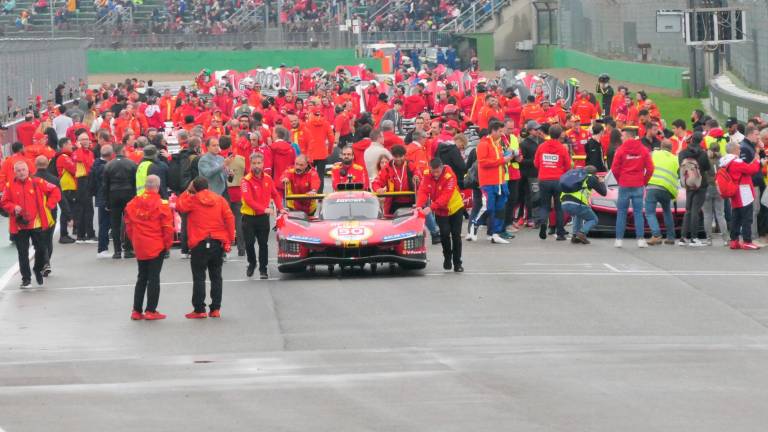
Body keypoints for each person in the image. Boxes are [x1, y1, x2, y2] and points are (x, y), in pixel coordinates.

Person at [176, 177, 236, 318]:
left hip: (199, 242)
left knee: (199, 277)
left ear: (194, 188)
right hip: (217, 241)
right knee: (216, 276)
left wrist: (187, 191)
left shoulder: (192, 200)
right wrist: (229, 240)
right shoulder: (219, 199)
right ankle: (215, 309)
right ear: (208, 186)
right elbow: (229, 218)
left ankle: (199, 309)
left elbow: (179, 206)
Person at [0, 161, 60, 287]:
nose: (21, 172)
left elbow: (55, 190)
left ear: (28, 171)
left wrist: (49, 205)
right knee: (23, 253)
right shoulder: (9, 185)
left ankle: (37, 269)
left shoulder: (37, 182)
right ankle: (26, 279)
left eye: (23, 170)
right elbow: (3, 202)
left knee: (41, 249)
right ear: (15, 172)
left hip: (36, 223)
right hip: (19, 225)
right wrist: (13, 207)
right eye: (19, 170)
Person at [124, 175, 173, 321]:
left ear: (145, 186)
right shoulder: (161, 204)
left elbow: (128, 225)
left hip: (140, 244)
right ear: (158, 187)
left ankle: (136, 310)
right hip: (156, 245)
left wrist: (134, 240)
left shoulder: (133, 203)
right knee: (153, 278)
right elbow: (167, 228)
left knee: (141, 277)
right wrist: (167, 245)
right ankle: (151, 310)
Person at [416, 158, 465, 272]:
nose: (436, 174)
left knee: (456, 235)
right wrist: (419, 205)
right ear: (430, 169)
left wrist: (431, 207)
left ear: (442, 168)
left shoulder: (450, 176)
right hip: (440, 210)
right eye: (434, 172)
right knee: (444, 234)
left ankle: (457, 263)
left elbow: (446, 196)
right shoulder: (427, 174)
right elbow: (423, 190)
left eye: (438, 171)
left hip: (455, 207)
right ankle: (447, 258)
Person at [241, 152, 284, 279]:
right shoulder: (245, 180)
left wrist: (281, 209)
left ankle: (263, 269)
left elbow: (275, 195)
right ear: (250, 165)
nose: (256, 166)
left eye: (259, 163)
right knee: (249, 243)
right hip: (248, 217)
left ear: (263, 164)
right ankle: (252, 263)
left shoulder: (268, 179)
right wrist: (264, 209)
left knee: (263, 244)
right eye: (254, 163)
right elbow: (248, 200)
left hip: (263, 218)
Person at [611, 127, 654, 247]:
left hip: (624, 184)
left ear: (628, 136)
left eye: (622, 136)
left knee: (621, 212)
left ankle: (619, 240)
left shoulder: (620, 150)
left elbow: (614, 168)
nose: (621, 138)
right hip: (638, 184)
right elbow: (650, 168)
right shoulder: (643, 149)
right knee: (638, 213)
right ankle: (640, 239)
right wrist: (644, 181)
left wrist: (620, 180)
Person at [477, 121, 514, 244]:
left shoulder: (497, 143)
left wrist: (507, 157)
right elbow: (483, 163)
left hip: (500, 181)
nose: (502, 133)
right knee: (490, 208)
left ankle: (494, 233)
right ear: (493, 130)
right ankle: (476, 228)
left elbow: (498, 161)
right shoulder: (484, 144)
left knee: (500, 208)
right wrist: (502, 160)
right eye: (500, 131)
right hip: (489, 182)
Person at [533, 124, 572, 241]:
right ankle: (560, 233)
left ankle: (544, 223)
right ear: (560, 134)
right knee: (559, 207)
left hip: (544, 179)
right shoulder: (562, 148)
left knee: (545, 205)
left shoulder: (542, 146)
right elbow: (568, 166)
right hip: (558, 180)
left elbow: (536, 163)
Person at [722, 142, 761, 250]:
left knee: (736, 217)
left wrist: (753, 162)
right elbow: (750, 170)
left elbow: (745, 168)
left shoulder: (725, 162)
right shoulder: (736, 162)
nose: (740, 151)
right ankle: (747, 241)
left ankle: (734, 240)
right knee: (746, 217)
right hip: (744, 192)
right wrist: (757, 161)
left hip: (734, 191)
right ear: (734, 150)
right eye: (738, 149)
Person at [104, 144, 138, 259]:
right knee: (129, 222)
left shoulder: (108, 165)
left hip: (114, 194)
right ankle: (128, 249)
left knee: (115, 224)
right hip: (128, 194)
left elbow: (105, 185)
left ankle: (117, 251)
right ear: (123, 151)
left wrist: (106, 201)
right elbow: (135, 182)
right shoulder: (132, 164)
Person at [677, 133, 711, 246]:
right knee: (695, 210)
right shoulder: (703, 154)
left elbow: (680, 166)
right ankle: (694, 237)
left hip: (688, 183)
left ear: (691, 140)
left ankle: (683, 237)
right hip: (701, 183)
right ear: (701, 141)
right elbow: (707, 167)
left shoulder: (683, 153)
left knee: (688, 210)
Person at [644, 140, 680, 246]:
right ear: (671, 148)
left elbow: (646, 166)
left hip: (653, 186)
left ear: (661, 146)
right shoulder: (675, 159)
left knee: (650, 212)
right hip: (667, 189)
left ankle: (656, 235)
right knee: (667, 211)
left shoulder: (654, 154)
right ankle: (670, 237)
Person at [561, 165, 607, 244]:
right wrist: (602, 182)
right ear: (594, 173)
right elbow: (604, 192)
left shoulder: (575, 177)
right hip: (577, 203)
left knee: (578, 215)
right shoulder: (590, 177)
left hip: (564, 203)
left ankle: (575, 236)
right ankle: (582, 233)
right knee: (593, 219)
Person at [33, 156, 61, 277]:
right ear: (48, 163)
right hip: (51, 212)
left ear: (35, 164)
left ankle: (44, 263)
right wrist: (68, 213)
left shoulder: (32, 179)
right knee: (48, 239)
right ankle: (46, 262)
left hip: (36, 214)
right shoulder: (54, 179)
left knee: (39, 240)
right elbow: (61, 197)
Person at [372, 144, 420, 214]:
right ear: (392, 156)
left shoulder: (411, 165)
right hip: (393, 203)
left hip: (411, 202)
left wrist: (417, 178)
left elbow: (419, 176)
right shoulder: (387, 168)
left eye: (400, 156)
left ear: (404, 155)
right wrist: (378, 189)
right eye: (395, 157)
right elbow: (376, 182)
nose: (398, 159)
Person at [703, 137, 729, 246]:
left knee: (707, 214)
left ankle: (709, 239)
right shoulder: (723, 161)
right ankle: (725, 239)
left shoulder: (705, 160)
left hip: (708, 187)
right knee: (720, 214)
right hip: (719, 187)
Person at [73, 132, 96, 243]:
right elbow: (83, 162)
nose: (86, 141)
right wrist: (79, 148)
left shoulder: (90, 153)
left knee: (85, 209)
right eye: (83, 139)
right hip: (82, 182)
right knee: (86, 209)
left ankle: (82, 234)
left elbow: (91, 166)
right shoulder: (77, 153)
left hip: (88, 180)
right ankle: (88, 234)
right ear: (78, 141)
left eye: (87, 139)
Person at [91, 145, 113, 257]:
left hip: (100, 197)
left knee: (104, 223)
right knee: (105, 224)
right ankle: (102, 249)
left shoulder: (96, 164)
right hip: (106, 198)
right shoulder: (105, 167)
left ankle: (102, 248)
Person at [55, 137, 78, 244]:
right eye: (69, 144)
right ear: (64, 145)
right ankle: (63, 235)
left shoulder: (66, 156)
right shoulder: (63, 157)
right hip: (67, 187)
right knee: (66, 211)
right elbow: (74, 169)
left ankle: (68, 232)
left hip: (69, 186)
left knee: (70, 210)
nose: (72, 146)